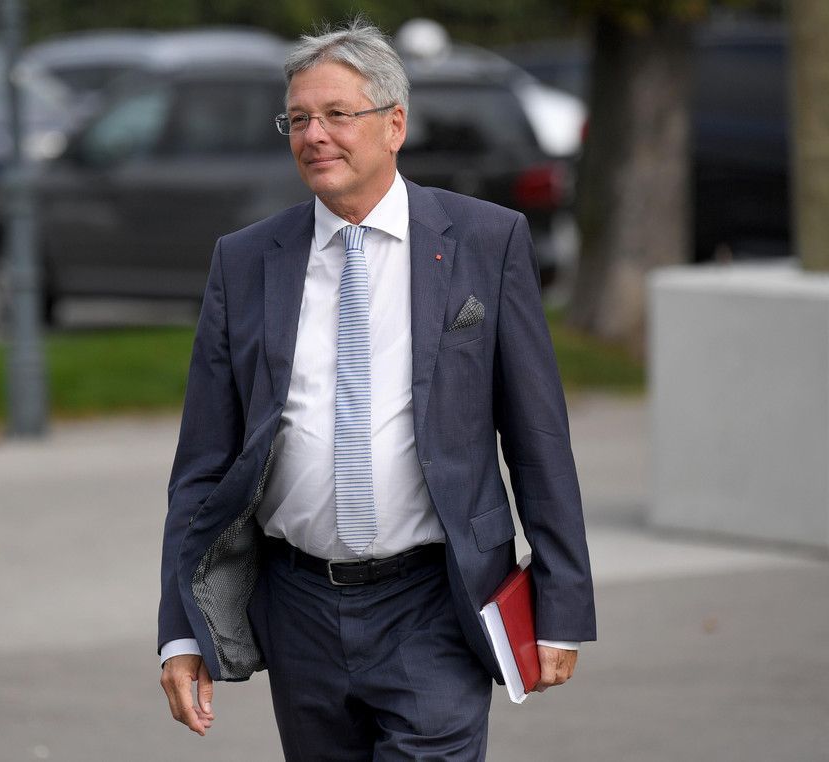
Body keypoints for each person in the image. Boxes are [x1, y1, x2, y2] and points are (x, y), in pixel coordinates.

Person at [158, 18, 596, 760]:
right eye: (299, 119)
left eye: (337, 114)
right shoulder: (246, 261)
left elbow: (538, 438)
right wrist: (180, 630)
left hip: (434, 601)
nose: (314, 136)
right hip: (297, 609)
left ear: (395, 125)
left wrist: (562, 602)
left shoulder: (485, 243)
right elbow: (202, 462)